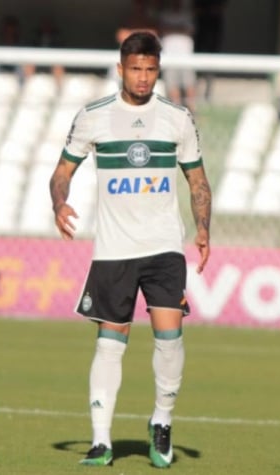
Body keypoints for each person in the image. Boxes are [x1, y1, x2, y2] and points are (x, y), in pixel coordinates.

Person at [49, 31, 211, 468]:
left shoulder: (177, 119)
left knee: (170, 336)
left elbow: (196, 179)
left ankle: (162, 422)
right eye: (135, 69)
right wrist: (58, 201)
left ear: (159, 71)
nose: (143, 78)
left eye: (151, 70)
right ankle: (101, 441)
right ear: (121, 69)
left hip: (163, 247)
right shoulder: (94, 116)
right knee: (109, 344)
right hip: (114, 250)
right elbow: (62, 171)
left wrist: (203, 228)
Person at [157, 0, 198, 113]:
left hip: (186, 56)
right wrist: (179, 29)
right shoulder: (164, 14)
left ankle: (192, 110)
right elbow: (162, 30)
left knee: (189, 83)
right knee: (172, 84)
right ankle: (177, 110)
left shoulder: (187, 14)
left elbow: (189, 30)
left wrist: (172, 29)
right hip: (169, 56)